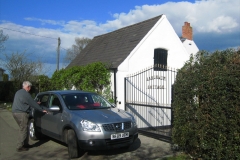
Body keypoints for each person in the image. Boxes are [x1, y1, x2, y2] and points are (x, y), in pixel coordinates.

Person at [12, 81, 47, 152]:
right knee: (24, 129)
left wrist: (35, 103)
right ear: (28, 87)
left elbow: (27, 102)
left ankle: (25, 143)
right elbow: (31, 103)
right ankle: (20, 146)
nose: (30, 89)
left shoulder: (18, 92)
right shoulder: (26, 94)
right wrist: (41, 109)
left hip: (14, 112)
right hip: (21, 113)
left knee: (24, 128)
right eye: (30, 87)